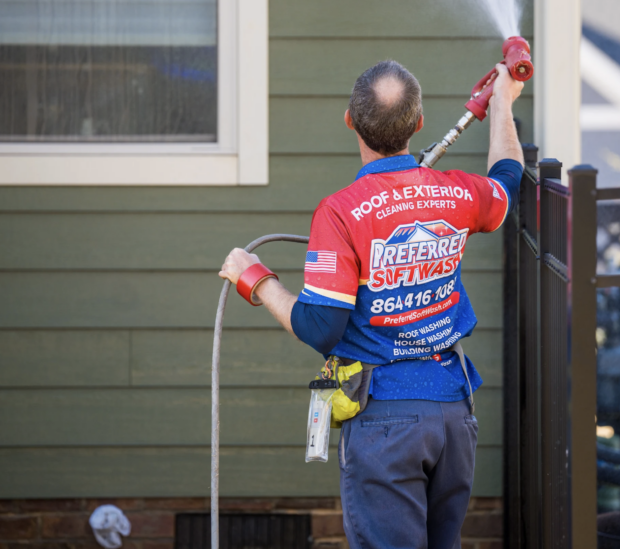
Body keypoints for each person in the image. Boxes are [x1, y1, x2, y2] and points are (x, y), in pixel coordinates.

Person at [219, 59, 524, 549]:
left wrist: (254, 280)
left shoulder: (340, 212)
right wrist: (504, 104)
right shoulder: (456, 192)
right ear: (419, 123)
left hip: (386, 424)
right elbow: (507, 178)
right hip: (454, 415)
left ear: (349, 120)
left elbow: (320, 325)